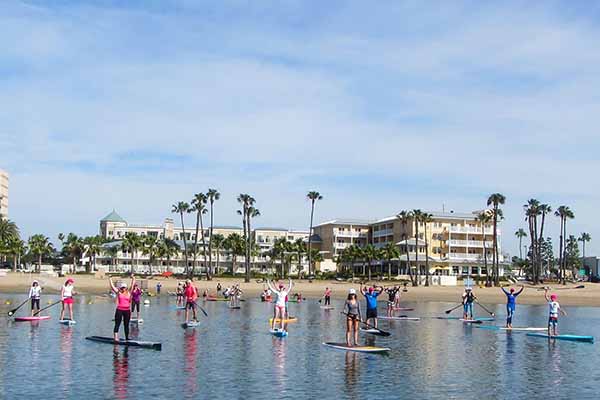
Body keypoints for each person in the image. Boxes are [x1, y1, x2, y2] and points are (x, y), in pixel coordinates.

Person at [110, 275, 135, 341]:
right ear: (121, 288)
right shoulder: (119, 293)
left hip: (127, 311)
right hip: (119, 310)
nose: (123, 289)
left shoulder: (129, 292)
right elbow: (112, 287)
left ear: (126, 288)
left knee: (126, 325)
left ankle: (127, 338)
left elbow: (132, 285)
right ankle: (115, 337)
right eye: (122, 287)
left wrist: (133, 278)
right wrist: (110, 279)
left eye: (124, 287)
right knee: (117, 324)